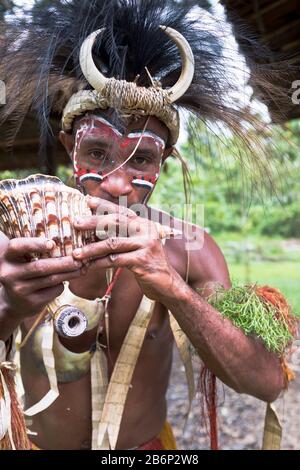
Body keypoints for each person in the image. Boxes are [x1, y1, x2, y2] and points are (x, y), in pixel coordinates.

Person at [0, 0, 295, 451]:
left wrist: (172, 287)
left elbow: (266, 382)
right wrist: (8, 309)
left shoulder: (189, 250)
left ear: (165, 163)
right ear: (69, 148)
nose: (118, 183)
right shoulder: (15, 234)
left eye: (141, 159)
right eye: (97, 152)